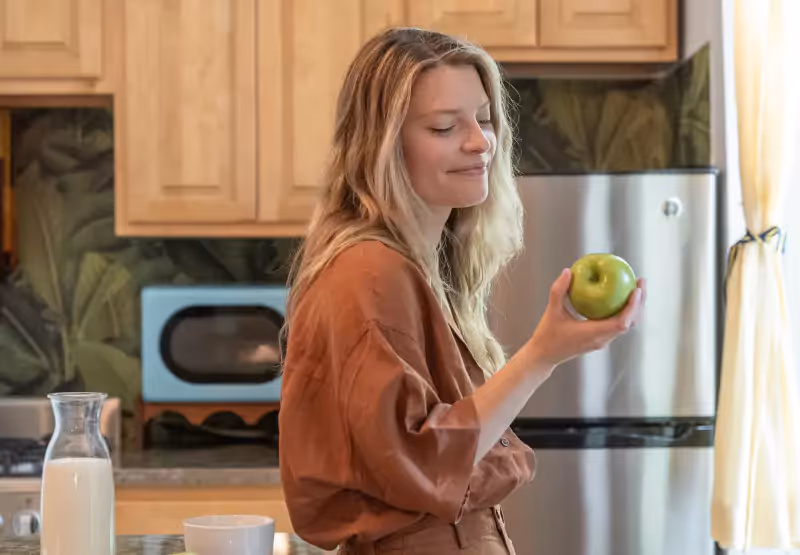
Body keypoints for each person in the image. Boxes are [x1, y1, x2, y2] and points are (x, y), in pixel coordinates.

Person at [278, 27, 646, 555]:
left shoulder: (418, 264)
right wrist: (543, 354)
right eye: (445, 126)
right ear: (383, 146)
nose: (480, 141)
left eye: (484, 117)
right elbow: (425, 458)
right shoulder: (369, 273)